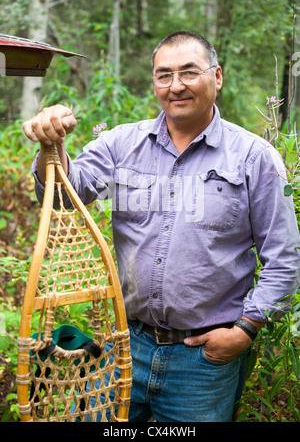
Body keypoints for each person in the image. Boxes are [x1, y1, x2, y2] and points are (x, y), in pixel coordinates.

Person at [23, 31, 299, 422]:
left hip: (202, 361)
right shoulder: (121, 144)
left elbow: (284, 257)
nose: (176, 86)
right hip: (126, 345)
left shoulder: (254, 158)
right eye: (164, 75)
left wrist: (244, 330)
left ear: (216, 76)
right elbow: (66, 197)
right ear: (154, 82)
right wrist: (51, 146)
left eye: (189, 72)